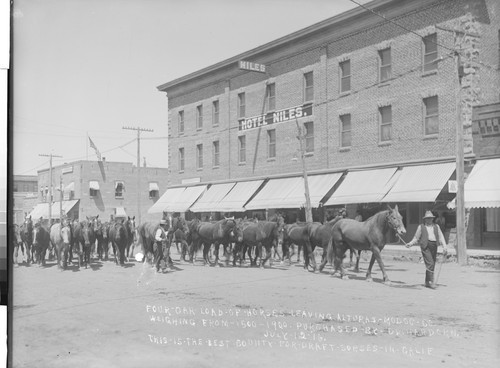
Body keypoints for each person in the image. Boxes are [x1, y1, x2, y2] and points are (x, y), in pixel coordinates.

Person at [406, 210, 449, 289]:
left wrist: (444, 247)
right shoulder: (421, 227)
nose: (429, 220)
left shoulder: (436, 226)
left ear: (432, 219)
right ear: (425, 219)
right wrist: (410, 244)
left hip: (434, 246)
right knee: (430, 263)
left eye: (430, 218)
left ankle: (427, 281)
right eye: (427, 218)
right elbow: (416, 237)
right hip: (425, 246)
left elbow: (441, 237)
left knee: (432, 264)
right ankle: (431, 282)